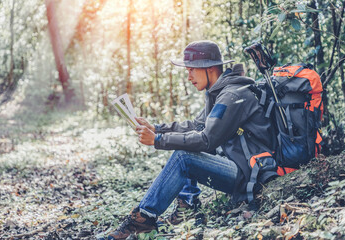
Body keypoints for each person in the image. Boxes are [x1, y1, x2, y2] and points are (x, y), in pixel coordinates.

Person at [106, 40, 276, 240]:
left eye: (191, 71)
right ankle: (187, 207)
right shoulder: (218, 92)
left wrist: (159, 140)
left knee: (183, 156)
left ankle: (143, 220)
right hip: (238, 165)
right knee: (182, 145)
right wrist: (158, 129)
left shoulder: (232, 95)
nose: (188, 77)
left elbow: (206, 140)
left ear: (210, 68)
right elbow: (197, 126)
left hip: (250, 172)